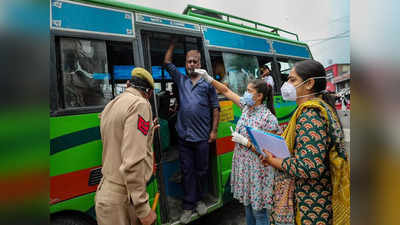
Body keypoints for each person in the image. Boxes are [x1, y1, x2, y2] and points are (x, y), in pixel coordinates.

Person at [259, 59, 350, 225]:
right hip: (315, 201)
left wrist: (273, 160)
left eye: (292, 79)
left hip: (312, 207)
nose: (286, 84)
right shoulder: (317, 107)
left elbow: (310, 167)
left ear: (309, 84)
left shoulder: (310, 114)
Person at [197, 69, 281, 225]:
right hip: (245, 167)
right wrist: (208, 78)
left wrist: (245, 142)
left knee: (259, 212)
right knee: (248, 207)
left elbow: (270, 154)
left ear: (259, 96)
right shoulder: (246, 107)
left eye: (249, 91)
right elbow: (226, 90)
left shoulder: (268, 119)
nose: (245, 94)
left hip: (258, 171)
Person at [163, 38, 220, 224]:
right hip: (185, 137)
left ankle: (200, 199)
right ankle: (188, 206)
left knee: (202, 171)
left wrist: (214, 131)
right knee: (187, 172)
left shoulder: (208, 84)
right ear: (185, 64)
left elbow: (215, 108)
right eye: (189, 61)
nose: (192, 64)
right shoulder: (181, 79)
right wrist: (172, 44)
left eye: (195, 61)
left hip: (203, 137)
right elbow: (167, 63)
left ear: (200, 63)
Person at [95, 68, 159, 225]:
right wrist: (143, 209)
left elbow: (118, 138)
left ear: (128, 84)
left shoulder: (112, 104)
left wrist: (147, 132)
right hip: (122, 199)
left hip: (106, 193)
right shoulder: (140, 105)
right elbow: (133, 162)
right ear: (149, 93)